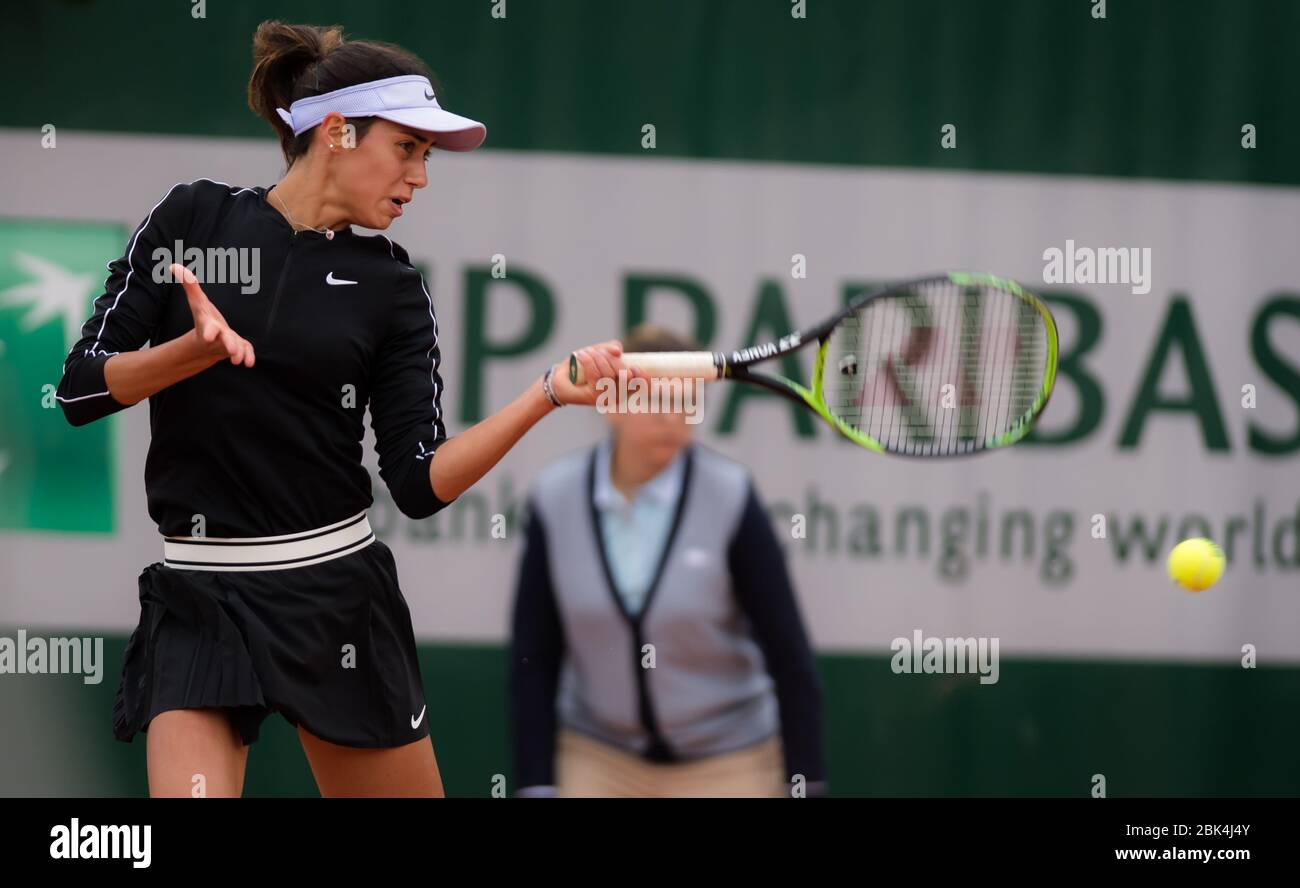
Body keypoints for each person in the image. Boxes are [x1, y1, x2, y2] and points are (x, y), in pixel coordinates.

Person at [55, 20, 632, 798]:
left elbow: (421, 483)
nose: (419, 178)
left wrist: (546, 395)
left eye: (427, 157)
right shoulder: (191, 220)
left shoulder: (392, 288)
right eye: (407, 149)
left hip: (334, 601)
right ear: (336, 132)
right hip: (198, 599)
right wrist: (184, 355)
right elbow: (80, 390)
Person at [509, 324, 827, 797]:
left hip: (730, 761)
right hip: (597, 757)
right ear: (611, 405)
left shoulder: (731, 496)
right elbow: (534, 657)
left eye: (685, 401)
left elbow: (790, 656)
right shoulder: (555, 499)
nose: (671, 417)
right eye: (653, 398)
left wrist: (807, 781)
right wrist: (535, 784)